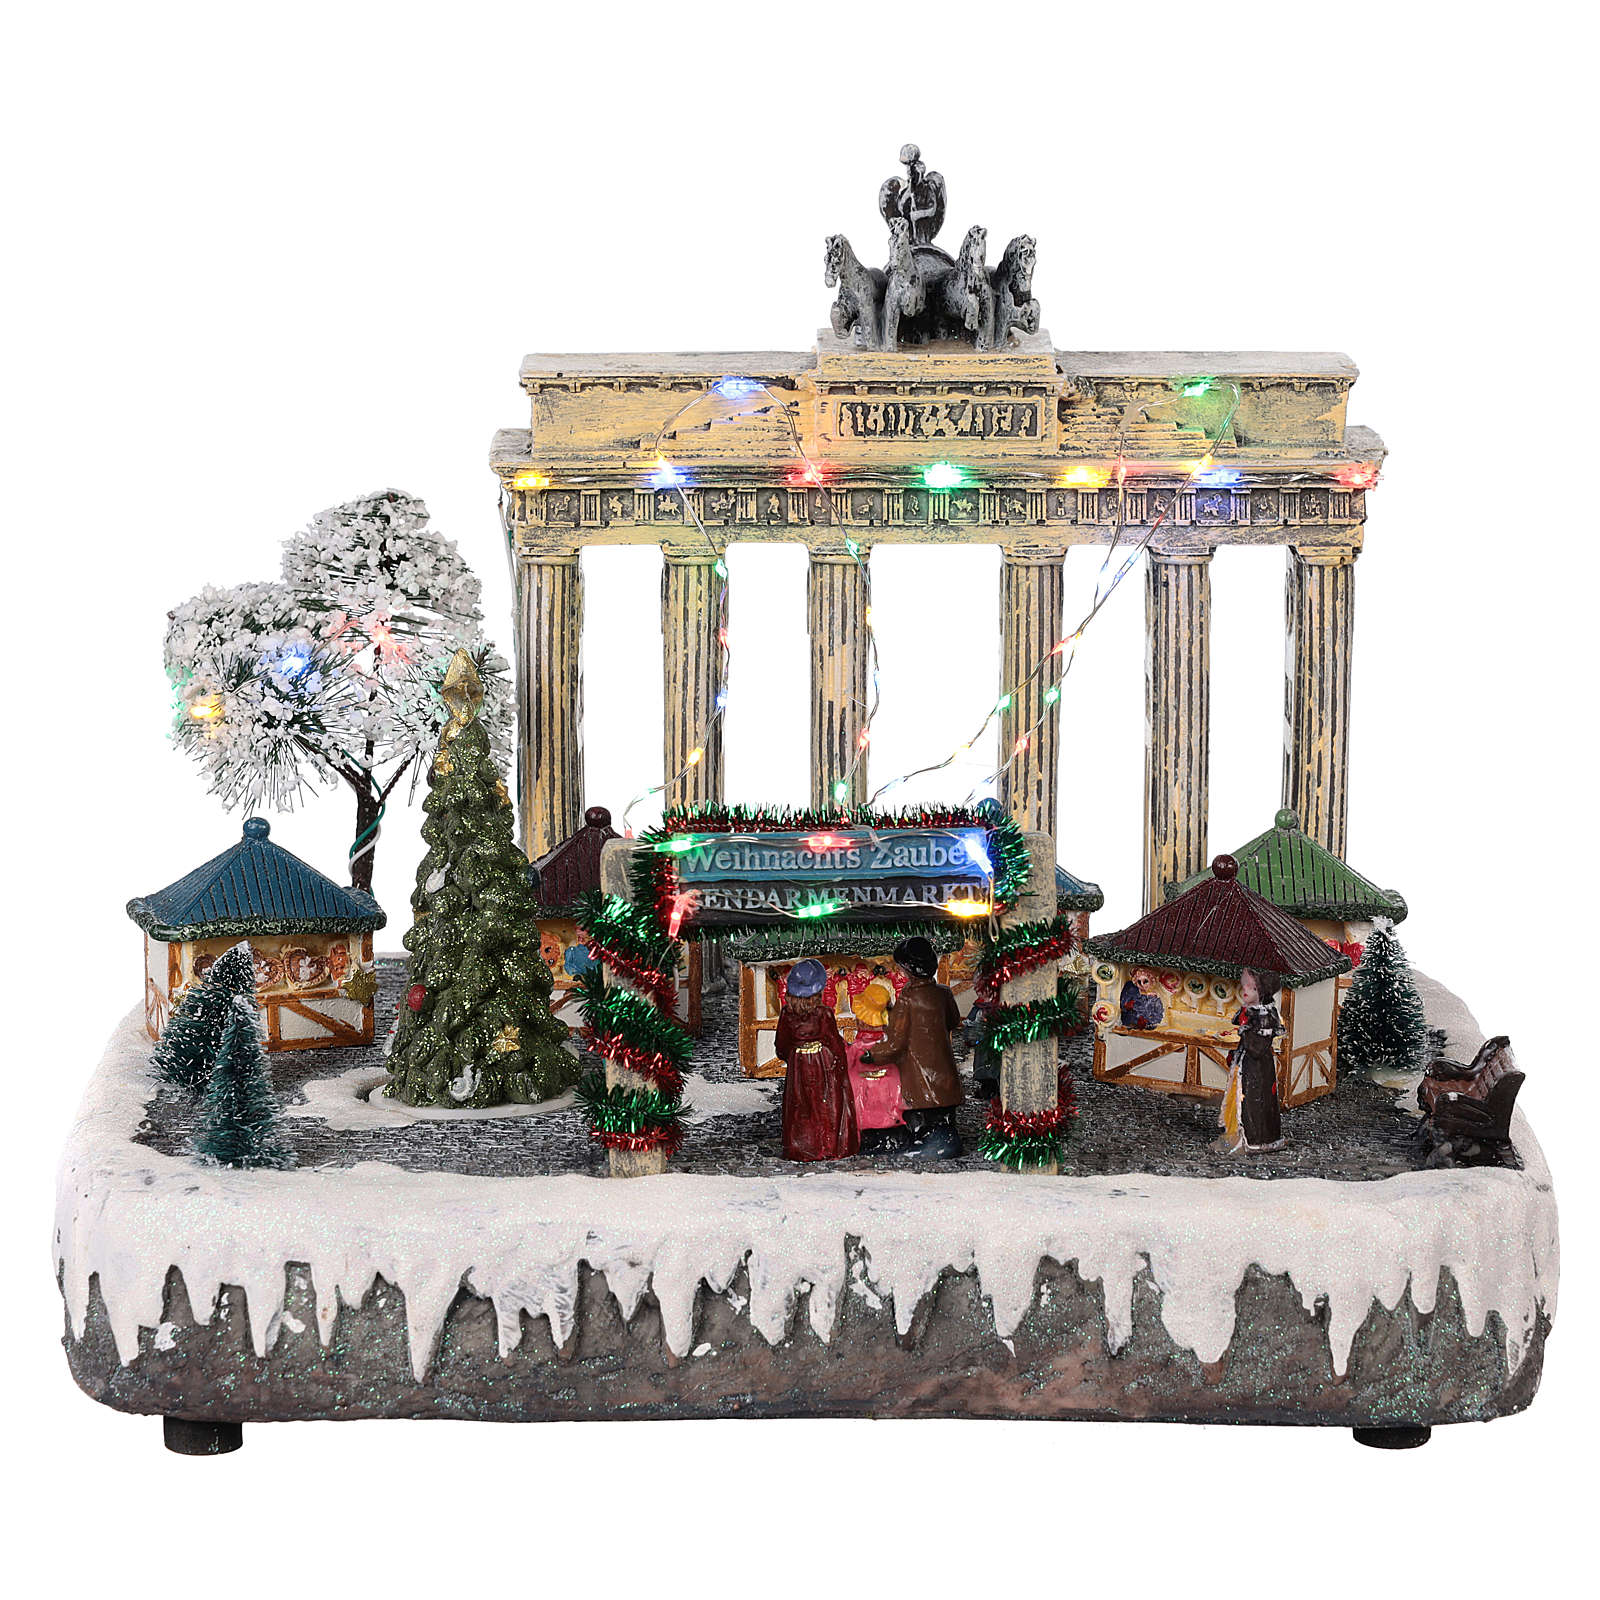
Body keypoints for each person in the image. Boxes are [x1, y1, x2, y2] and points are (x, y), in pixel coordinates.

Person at [861, 937, 964, 1158]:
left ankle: (925, 1144)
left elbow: (896, 1043)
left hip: (918, 1075)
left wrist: (872, 1055)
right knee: (944, 1114)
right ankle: (947, 1139)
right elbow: (954, 1021)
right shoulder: (944, 993)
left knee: (922, 1117)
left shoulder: (907, 999)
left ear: (908, 969)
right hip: (944, 1069)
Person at [775, 959, 859, 1162]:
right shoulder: (824, 1014)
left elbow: (781, 1044)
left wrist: (793, 1057)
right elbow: (834, 1042)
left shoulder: (787, 1013)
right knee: (825, 1104)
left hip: (799, 1064)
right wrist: (839, 1063)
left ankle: (803, 1147)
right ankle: (826, 1145)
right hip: (822, 1063)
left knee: (801, 1106)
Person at [1216, 968, 1286, 1154]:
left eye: (1253, 988)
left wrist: (1245, 1031)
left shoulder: (1265, 1016)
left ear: (1262, 992)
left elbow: (1257, 1047)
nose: (1245, 990)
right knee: (1240, 1095)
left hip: (1258, 1066)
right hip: (1246, 1062)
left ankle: (1256, 1137)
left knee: (1254, 1099)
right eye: (1245, 985)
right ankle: (1235, 1131)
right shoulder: (1250, 1011)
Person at [845, 980, 907, 1154]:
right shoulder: (891, 1043)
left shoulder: (858, 1047)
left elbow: (848, 1062)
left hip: (863, 1090)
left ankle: (864, 1131)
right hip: (890, 1086)